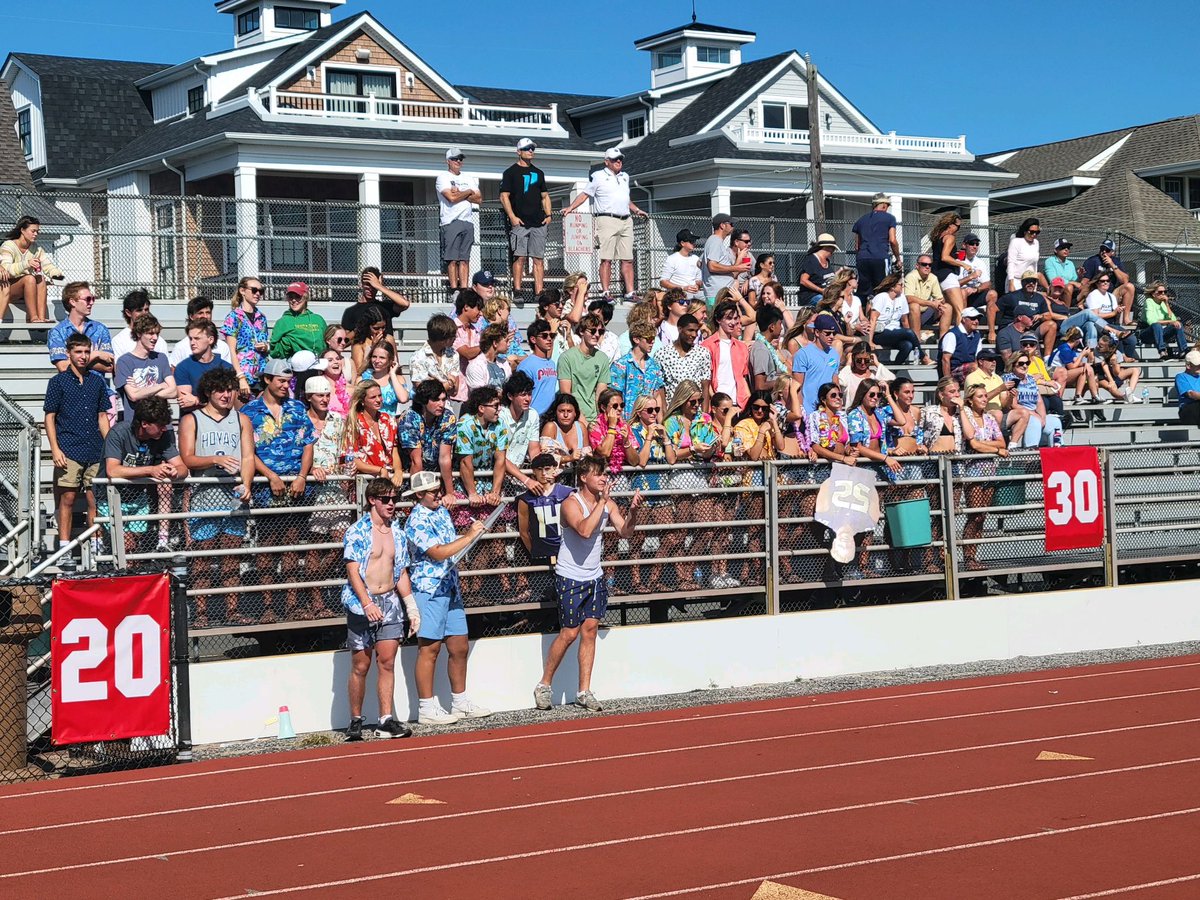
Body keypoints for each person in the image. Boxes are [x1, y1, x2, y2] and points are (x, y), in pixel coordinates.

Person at [534, 453, 641, 713]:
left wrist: (634, 512)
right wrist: (601, 503)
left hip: (594, 575)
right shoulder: (571, 503)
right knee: (569, 632)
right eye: (598, 474)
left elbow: (625, 532)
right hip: (570, 575)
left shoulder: (608, 503)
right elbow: (583, 530)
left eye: (605, 474)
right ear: (584, 477)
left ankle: (584, 690)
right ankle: (544, 685)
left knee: (590, 629)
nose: (604, 478)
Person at [402, 470, 491, 725]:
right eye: (433, 492)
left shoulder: (440, 512)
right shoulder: (415, 521)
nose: (439, 495)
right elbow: (438, 553)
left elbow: (451, 545)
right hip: (428, 588)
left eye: (439, 489)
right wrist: (470, 536)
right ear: (419, 495)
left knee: (459, 645)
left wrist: (468, 535)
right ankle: (426, 707)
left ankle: (460, 700)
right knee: (429, 648)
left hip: (449, 585)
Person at [341, 477, 419, 740]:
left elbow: (401, 572)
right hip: (362, 602)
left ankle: (385, 719)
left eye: (394, 499)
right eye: (386, 499)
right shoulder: (357, 531)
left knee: (387, 663)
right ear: (372, 500)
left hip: (390, 602)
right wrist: (366, 603)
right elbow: (353, 571)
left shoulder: (398, 532)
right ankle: (355, 719)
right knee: (360, 665)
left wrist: (411, 607)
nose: (391, 504)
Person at [178, 367, 254, 624]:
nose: (226, 395)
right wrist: (215, 459)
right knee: (203, 556)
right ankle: (201, 613)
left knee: (231, 556)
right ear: (208, 392)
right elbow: (188, 457)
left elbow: (248, 456)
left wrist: (247, 484)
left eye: (230, 389)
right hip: (204, 495)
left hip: (233, 496)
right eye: (220, 390)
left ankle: (232, 611)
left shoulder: (242, 419)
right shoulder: (192, 419)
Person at [243, 358, 317, 615]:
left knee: (292, 546)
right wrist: (270, 476)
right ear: (267, 380)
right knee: (267, 547)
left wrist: (302, 476)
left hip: (296, 487)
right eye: (281, 381)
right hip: (266, 489)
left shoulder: (297, 408)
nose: (286, 385)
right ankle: (268, 606)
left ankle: (292, 605)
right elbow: (247, 451)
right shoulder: (249, 412)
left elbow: (308, 444)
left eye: (288, 381)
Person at [44, 333, 109, 569]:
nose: (82, 356)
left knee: (95, 500)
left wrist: (109, 446)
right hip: (68, 447)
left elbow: (102, 416)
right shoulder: (58, 381)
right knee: (67, 499)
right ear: (69, 353)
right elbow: (49, 417)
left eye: (86, 351)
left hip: (94, 448)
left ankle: (96, 547)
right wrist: (55, 448)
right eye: (78, 352)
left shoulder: (96, 381)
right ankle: (64, 548)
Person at [100, 396, 186, 557]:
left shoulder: (163, 437)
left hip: (138, 499)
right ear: (144, 424)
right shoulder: (119, 433)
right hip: (110, 497)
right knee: (126, 544)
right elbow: (113, 470)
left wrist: (175, 472)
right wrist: (151, 470)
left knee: (133, 549)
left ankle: (132, 579)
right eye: (160, 425)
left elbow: (182, 468)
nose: (164, 429)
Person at [560, 147, 647, 299]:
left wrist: (636, 210)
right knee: (606, 258)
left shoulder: (625, 176)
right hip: (606, 219)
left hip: (626, 219)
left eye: (620, 159)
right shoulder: (598, 176)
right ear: (607, 162)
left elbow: (624, 199)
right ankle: (606, 291)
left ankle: (630, 292)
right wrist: (571, 207)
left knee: (627, 259)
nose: (618, 161)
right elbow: (585, 194)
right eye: (614, 159)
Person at [959, 383, 1008, 570]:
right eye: (980, 396)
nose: (984, 399)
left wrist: (989, 446)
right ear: (970, 400)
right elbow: (974, 445)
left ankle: (974, 555)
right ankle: (968, 556)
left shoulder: (989, 418)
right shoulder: (967, 417)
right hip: (973, 471)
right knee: (975, 515)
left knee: (983, 516)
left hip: (990, 471)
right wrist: (994, 448)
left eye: (985, 396)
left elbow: (1002, 442)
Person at [500, 138, 552, 296]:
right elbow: (504, 196)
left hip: (538, 222)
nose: (531, 151)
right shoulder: (510, 173)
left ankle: (539, 292)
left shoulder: (539, 173)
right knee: (520, 257)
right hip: (520, 223)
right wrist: (512, 216)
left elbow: (545, 196)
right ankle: (517, 290)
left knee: (538, 259)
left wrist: (548, 215)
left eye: (532, 149)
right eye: (527, 148)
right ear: (519, 152)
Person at [114, 313, 177, 422]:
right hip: (137, 424)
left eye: (157, 333)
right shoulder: (124, 361)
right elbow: (133, 395)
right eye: (150, 333)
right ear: (139, 333)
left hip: (162, 424)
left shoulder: (161, 358)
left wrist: (141, 392)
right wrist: (161, 385)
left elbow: (174, 391)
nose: (155, 338)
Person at [0, 215, 62, 322]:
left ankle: (41, 318)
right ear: (22, 230)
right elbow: (7, 270)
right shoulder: (8, 246)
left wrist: (57, 276)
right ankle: (32, 317)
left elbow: (48, 266)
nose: (36, 234)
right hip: (7, 288)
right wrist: (26, 264)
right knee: (29, 278)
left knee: (40, 278)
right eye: (33, 231)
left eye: (37, 231)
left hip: (26, 289)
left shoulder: (36, 248)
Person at [437, 147, 482, 292]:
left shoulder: (468, 178)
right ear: (448, 161)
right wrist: (468, 192)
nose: (458, 161)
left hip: (467, 221)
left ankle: (464, 288)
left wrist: (463, 192)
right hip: (450, 222)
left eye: (460, 159)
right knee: (452, 259)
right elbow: (451, 198)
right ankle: (453, 288)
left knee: (465, 259)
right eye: (455, 159)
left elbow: (479, 199)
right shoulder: (443, 177)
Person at [399, 379, 457, 488]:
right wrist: (421, 493)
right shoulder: (409, 418)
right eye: (436, 400)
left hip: (438, 475)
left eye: (443, 400)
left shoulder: (448, 417)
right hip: (411, 476)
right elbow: (416, 461)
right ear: (424, 400)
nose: (441, 404)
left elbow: (445, 457)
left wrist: (450, 493)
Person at [48, 282, 113, 374]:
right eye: (88, 299)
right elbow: (63, 367)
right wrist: (95, 355)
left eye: (93, 299)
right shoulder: (58, 332)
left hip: (98, 386)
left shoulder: (100, 329)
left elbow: (109, 367)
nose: (91, 303)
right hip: (71, 386)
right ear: (72, 302)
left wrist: (76, 362)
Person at [557, 313, 611, 423]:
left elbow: (600, 394)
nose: (596, 335)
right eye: (592, 331)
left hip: (594, 419)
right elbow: (566, 394)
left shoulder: (602, 358)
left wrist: (599, 421)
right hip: (573, 418)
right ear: (582, 331)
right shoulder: (567, 357)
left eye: (600, 332)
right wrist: (582, 421)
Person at [223, 276, 270, 400]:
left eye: (261, 291)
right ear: (242, 291)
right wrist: (241, 377)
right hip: (244, 374)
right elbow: (232, 350)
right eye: (254, 290)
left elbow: (265, 340)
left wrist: (266, 346)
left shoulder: (262, 317)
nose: (258, 294)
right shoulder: (233, 317)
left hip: (261, 372)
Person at [1003, 354, 1062, 448]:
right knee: (1034, 422)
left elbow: (1039, 401)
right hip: (1019, 415)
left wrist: (1042, 417)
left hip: (1035, 414)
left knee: (1055, 422)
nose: (1025, 366)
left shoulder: (1030, 379)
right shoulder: (1009, 379)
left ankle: (1056, 454)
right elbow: (1013, 404)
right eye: (1021, 363)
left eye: (1027, 363)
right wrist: (1034, 415)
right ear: (1013, 364)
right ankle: (1030, 455)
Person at [609, 322, 665, 418]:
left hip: (649, 421)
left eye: (653, 339)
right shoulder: (621, 365)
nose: (652, 342)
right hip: (627, 421)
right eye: (648, 339)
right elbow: (615, 397)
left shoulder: (655, 365)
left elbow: (657, 395)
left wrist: (660, 423)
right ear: (636, 339)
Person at [174, 321, 233, 412]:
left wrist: (197, 400)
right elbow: (185, 403)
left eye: (197, 338)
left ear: (211, 340)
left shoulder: (226, 367)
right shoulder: (183, 367)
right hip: (193, 421)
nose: (192, 343)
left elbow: (228, 404)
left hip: (221, 421)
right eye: (191, 339)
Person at [869, 273, 926, 366]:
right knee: (909, 332)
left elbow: (904, 321)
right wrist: (870, 340)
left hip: (895, 332)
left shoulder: (901, 298)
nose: (903, 287)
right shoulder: (882, 297)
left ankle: (893, 372)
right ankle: (924, 357)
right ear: (892, 287)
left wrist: (911, 337)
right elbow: (873, 319)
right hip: (880, 332)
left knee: (908, 345)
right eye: (900, 284)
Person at [704, 300, 750, 411]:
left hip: (739, 403)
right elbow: (707, 379)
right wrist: (715, 398)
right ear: (718, 319)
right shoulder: (707, 345)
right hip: (718, 403)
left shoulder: (741, 347)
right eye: (729, 318)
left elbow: (743, 377)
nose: (733, 322)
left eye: (735, 318)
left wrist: (748, 399)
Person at [929, 211, 971, 332]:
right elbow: (945, 257)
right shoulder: (950, 237)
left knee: (948, 309)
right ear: (951, 225)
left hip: (937, 274)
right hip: (948, 275)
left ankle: (945, 336)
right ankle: (961, 338)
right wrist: (963, 264)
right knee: (960, 310)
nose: (958, 230)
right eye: (958, 226)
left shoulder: (937, 237)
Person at [792, 312, 842, 414]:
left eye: (834, 333)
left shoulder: (834, 354)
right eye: (827, 333)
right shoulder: (803, 354)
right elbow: (797, 386)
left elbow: (835, 383)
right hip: (808, 411)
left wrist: (838, 409)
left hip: (828, 411)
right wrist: (801, 412)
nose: (831, 336)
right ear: (817, 332)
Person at [1080, 239, 1135, 327]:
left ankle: (1126, 319)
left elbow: (1125, 280)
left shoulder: (1116, 261)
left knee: (1129, 287)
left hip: (1111, 295)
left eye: (1107, 250)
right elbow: (1084, 282)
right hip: (1095, 295)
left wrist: (1112, 265)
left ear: (1112, 252)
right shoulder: (1092, 261)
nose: (1104, 252)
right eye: (1102, 249)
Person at [852, 193, 900, 294]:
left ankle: (865, 308)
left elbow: (857, 246)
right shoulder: (890, 218)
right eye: (887, 206)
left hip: (863, 258)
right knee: (883, 289)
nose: (886, 208)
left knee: (865, 292)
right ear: (883, 205)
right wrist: (898, 259)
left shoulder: (860, 220)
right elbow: (892, 240)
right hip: (880, 257)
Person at [997, 270, 1057, 350]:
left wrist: (1041, 316)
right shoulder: (1012, 296)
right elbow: (992, 308)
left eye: (1033, 281)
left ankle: (1047, 358)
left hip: (1031, 329)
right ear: (1022, 283)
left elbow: (1049, 316)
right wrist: (991, 331)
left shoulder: (1039, 298)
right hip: (1013, 328)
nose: (1031, 283)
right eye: (1028, 281)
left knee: (1052, 324)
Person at [340, 266, 410, 335]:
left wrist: (379, 286)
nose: (370, 289)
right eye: (367, 285)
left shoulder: (385, 306)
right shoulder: (351, 311)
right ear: (361, 284)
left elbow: (405, 304)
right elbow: (345, 340)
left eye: (373, 286)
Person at [409, 313, 461, 402]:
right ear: (443, 339)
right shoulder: (418, 357)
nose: (455, 338)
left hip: (446, 407)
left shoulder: (453, 354)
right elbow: (424, 394)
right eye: (452, 336)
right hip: (424, 410)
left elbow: (454, 391)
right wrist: (449, 382)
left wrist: (436, 383)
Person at [1085, 274, 1138, 358]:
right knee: (1116, 335)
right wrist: (1113, 313)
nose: (1106, 283)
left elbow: (1115, 311)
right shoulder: (1093, 295)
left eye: (1107, 281)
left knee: (1132, 340)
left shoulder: (1111, 296)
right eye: (1102, 281)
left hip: (1112, 323)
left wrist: (1119, 309)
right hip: (1100, 325)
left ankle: (1127, 360)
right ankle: (1123, 357)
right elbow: (1095, 316)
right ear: (1097, 283)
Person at [700, 214, 747, 308]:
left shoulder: (717, 242)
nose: (733, 227)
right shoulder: (715, 241)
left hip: (722, 294)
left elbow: (700, 263)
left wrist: (739, 260)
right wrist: (737, 267)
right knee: (716, 321)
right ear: (722, 225)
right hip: (716, 295)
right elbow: (712, 266)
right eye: (731, 224)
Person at [269, 281, 326, 359]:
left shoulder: (318, 319)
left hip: (319, 363)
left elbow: (327, 342)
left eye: (298, 296)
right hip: (295, 365)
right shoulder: (283, 321)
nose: (294, 300)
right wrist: (288, 343)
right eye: (290, 297)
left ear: (306, 297)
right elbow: (273, 350)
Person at [169, 296, 232, 367]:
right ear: (191, 316)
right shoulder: (181, 347)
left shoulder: (222, 347)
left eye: (208, 312)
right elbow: (174, 373)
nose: (205, 316)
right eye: (200, 313)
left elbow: (228, 373)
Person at [111, 290, 168, 362]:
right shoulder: (119, 341)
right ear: (128, 313)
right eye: (139, 310)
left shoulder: (159, 341)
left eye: (146, 309)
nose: (144, 313)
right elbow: (119, 370)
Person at [903, 255, 952, 339]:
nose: (927, 267)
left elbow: (939, 298)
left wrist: (939, 303)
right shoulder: (910, 277)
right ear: (917, 266)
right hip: (911, 315)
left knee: (947, 307)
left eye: (930, 265)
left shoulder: (933, 278)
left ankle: (943, 340)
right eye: (924, 264)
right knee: (914, 305)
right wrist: (930, 303)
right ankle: (916, 340)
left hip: (926, 313)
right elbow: (908, 298)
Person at [518, 319, 559, 416]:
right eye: (544, 336)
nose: (549, 339)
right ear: (533, 339)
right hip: (532, 417)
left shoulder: (552, 363)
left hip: (550, 417)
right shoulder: (526, 365)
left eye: (551, 336)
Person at [452, 290, 484, 408]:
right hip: (457, 394)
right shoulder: (452, 329)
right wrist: (486, 343)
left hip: (473, 393)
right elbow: (467, 353)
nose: (480, 313)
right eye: (478, 308)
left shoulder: (475, 330)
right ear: (466, 307)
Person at [360, 341, 409, 417]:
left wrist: (392, 374)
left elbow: (403, 399)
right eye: (374, 357)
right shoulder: (362, 379)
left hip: (390, 424)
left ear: (390, 360)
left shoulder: (398, 379)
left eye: (382, 358)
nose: (376, 361)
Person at [1143, 281, 1190, 359]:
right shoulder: (1149, 302)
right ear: (1153, 294)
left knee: (1178, 325)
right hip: (1148, 333)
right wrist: (1170, 322)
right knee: (1156, 325)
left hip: (1161, 334)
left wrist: (1167, 304)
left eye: (1165, 292)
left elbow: (1174, 320)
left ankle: (1183, 350)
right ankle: (1162, 351)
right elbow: (1151, 321)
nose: (1163, 294)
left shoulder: (1163, 304)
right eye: (1160, 292)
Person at [540, 392, 589, 463]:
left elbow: (588, 456)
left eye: (569, 411)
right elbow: (545, 458)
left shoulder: (581, 427)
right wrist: (568, 458)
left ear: (575, 413)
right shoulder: (550, 427)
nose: (565, 415)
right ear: (555, 412)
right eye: (561, 411)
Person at [750, 305, 788, 391]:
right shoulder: (761, 349)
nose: (781, 327)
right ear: (772, 327)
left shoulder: (766, 346)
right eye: (780, 323)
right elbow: (760, 385)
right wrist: (784, 382)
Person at [939, 307, 983, 379]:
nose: (976, 321)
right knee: (974, 367)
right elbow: (945, 359)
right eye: (973, 318)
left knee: (987, 364)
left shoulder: (977, 335)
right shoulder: (952, 334)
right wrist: (948, 381)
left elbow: (978, 357)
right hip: (954, 370)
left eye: (978, 319)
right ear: (964, 319)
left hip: (970, 368)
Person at [797, 233, 840, 306]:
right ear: (826, 247)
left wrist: (840, 272)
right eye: (833, 248)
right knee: (827, 303)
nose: (833, 251)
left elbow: (828, 278)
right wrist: (821, 290)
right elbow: (803, 280)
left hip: (825, 295)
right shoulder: (811, 260)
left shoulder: (827, 261)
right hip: (811, 296)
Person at [659, 230, 704, 299]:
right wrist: (683, 288)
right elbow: (663, 282)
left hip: (695, 293)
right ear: (682, 243)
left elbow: (699, 280)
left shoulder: (695, 259)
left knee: (710, 298)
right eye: (691, 241)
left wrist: (697, 285)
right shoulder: (672, 259)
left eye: (694, 241)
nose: (694, 243)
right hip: (679, 294)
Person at [465, 324, 510, 390]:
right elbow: (480, 395)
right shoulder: (476, 366)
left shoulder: (504, 364)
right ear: (495, 343)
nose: (509, 344)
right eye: (506, 341)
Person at [1005, 218, 1045, 292]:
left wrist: (1035, 283)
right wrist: (1011, 284)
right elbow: (1011, 263)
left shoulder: (1036, 243)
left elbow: (1034, 265)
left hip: (1030, 281)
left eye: (1037, 232)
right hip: (1016, 280)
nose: (1034, 235)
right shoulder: (1016, 242)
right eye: (1032, 232)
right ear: (1025, 231)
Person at [1043, 239, 1081, 309]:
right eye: (1063, 247)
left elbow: (1075, 280)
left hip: (1070, 291)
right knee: (1069, 287)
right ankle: (1066, 311)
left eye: (1068, 248)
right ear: (1055, 250)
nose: (1066, 249)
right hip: (1055, 289)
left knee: (1087, 286)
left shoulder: (1070, 263)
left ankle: (1081, 305)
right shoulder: (1049, 261)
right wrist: (1071, 282)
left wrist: (1080, 275)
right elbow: (1053, 280)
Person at [1176, 350, 1200, 426]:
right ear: (1188, 365)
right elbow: (1191, 394)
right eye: (1197, 364)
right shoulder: (1180, 377)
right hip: (1188, 410)